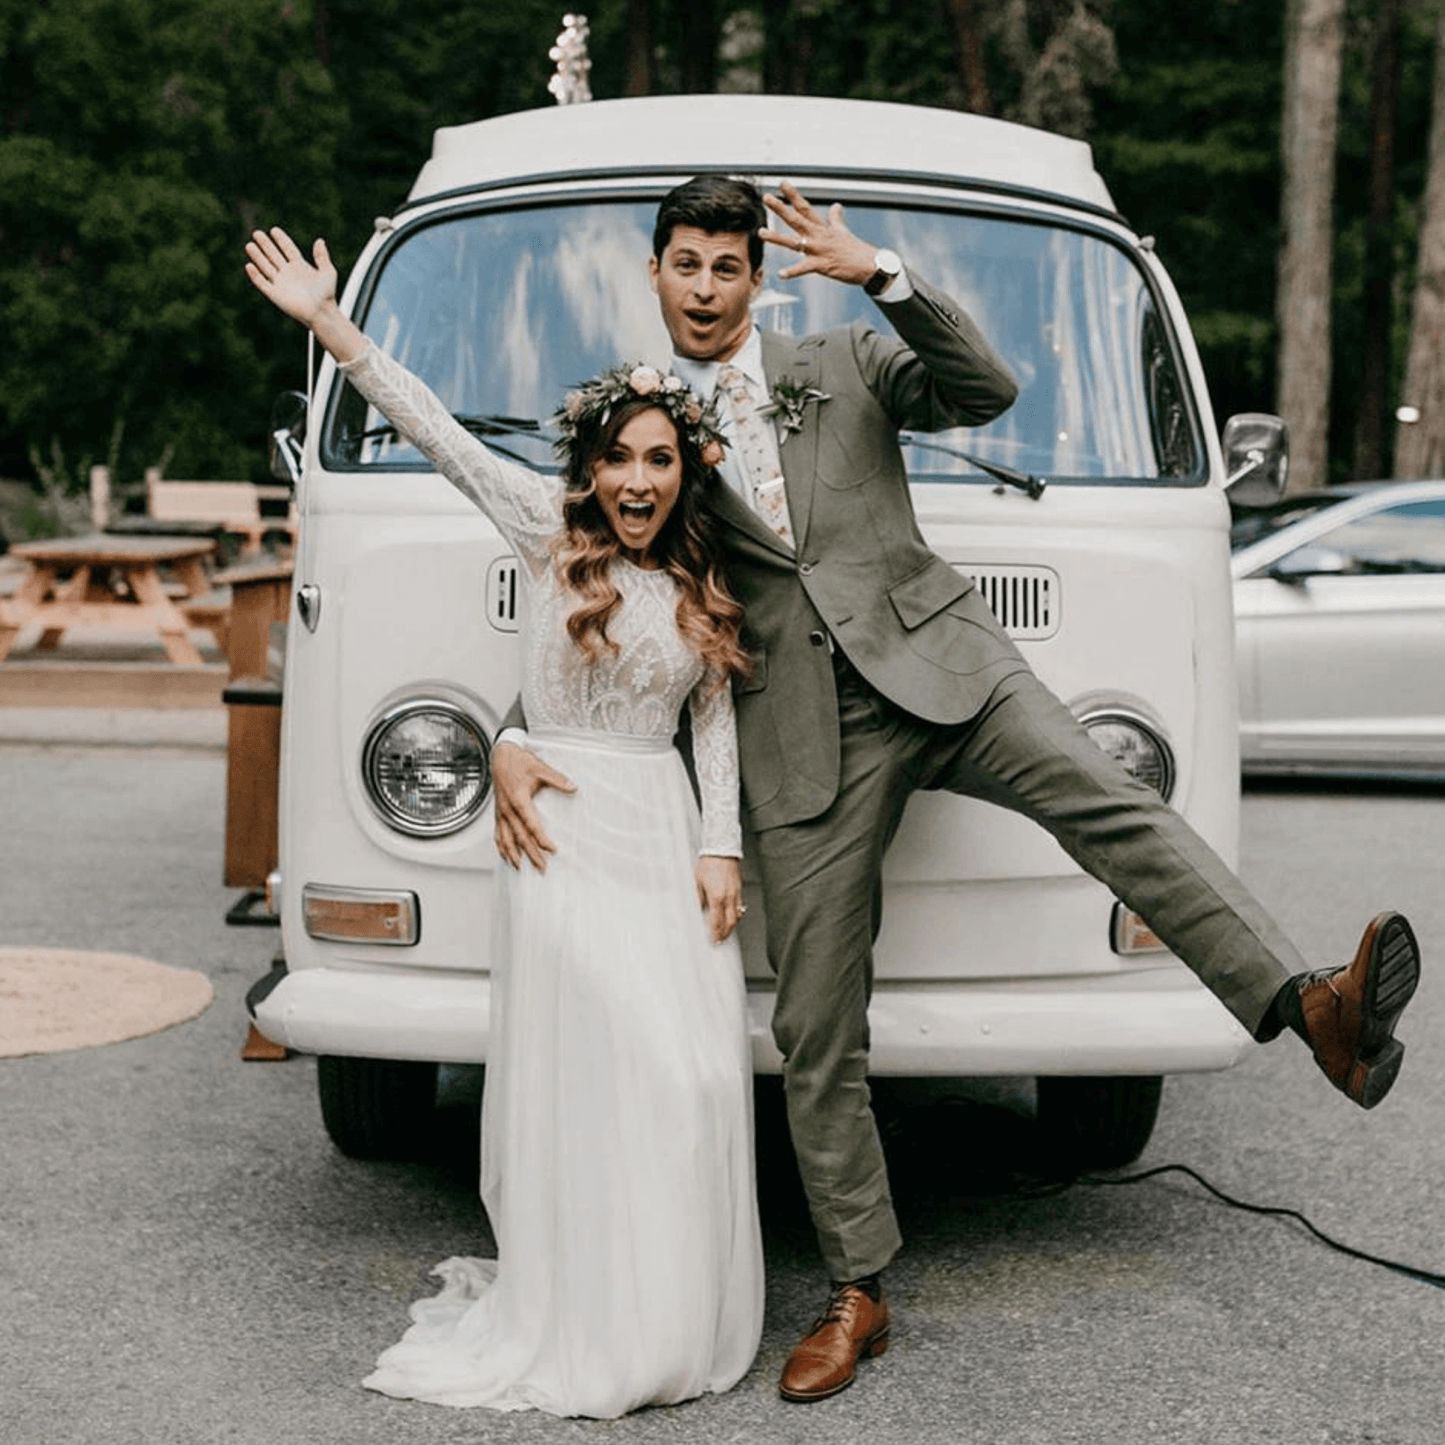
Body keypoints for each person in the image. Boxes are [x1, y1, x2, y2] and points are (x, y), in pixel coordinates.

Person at [490, 175, 1423, 1405]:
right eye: (686, 265)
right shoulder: (642, 432)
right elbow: (592, 585)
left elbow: (985, 389)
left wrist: (878, 271)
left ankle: (1310, 1005)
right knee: (818, 1024)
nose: (707, 287)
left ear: (754, 277)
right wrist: (512, 728)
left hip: (946, 662)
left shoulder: (842, 355)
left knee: (1112, 797)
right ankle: (856, 1287)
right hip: (800, 737)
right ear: (656, 274)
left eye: (728, 265)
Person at [244, 225, 764, 1418]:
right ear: (590, 465)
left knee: (686, 1081)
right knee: (595, 1076)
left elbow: (716, 720)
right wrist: (330, 324)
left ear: (686, 470)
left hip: (662, 825)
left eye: (660, 461)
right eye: (621, 460)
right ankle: (580, 1316)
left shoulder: (698, 577)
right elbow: (430, 425)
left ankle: (664, 1311)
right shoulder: (545, 529)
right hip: (561, 841)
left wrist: (720, 841)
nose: (639, 481)